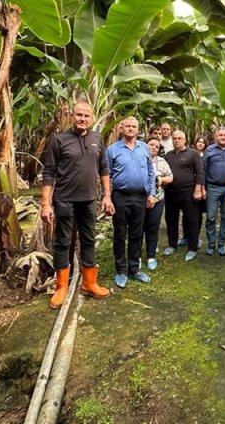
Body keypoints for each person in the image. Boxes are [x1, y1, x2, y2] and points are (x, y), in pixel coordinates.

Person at [41, 102, 112, 309]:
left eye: (86, 115)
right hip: (64, 199)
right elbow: (48, 173)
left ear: (92, 117)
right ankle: (61, 286)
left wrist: (106, 196)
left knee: (89, 239)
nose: (82, 119)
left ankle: (89, 283)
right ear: (72, 116)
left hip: (89, 200)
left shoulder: (97, 139)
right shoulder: (59, 140)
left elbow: (104, 169)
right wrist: (45, 204)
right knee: (63, 241)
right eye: (79, 115)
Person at [105, 117, 157, 288]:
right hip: (120, 196)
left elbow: (150, 172)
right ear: (121, 128)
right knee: (120, 234)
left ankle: (134, 269)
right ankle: (121, 270)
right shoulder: (112, 150)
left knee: (136, 233)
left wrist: (151, 193)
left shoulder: (144, 148)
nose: (130, 129)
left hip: (140, 197)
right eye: (127, 126)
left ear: (138, 129)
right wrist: (107, 197)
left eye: (134, 126)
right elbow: (107, 175)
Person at [163, 130, 204, 261]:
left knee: (192, 220)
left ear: (185, 140)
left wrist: (198, 190)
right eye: (174, 138)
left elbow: (200, 172)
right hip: (171, 193)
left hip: (188, 193)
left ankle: (192, 248)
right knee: (171, 219)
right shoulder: (168, 155)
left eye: (179, 138)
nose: (176, 140)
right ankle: (172, 244)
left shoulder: (193, 154)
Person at [202, 126, 225, 256]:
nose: (223, 137)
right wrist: (202, 188)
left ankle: (221, 244)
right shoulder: (209, 150)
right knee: (211, 217)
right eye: (221, 135)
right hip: (213, 187)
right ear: (216, 136)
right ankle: (211, 244)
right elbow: (203, 170)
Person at [143, 137, 173, 270]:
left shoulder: (162, 162)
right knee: (138, 228)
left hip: (157, 199)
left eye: (157, 146)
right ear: (145, 145)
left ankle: (150, 256)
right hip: (139, 200)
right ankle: (136, 256)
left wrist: (161, 179)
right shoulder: (139, 158)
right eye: (151, 144)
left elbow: (171, 177)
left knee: (152, 227)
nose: (154, 147)